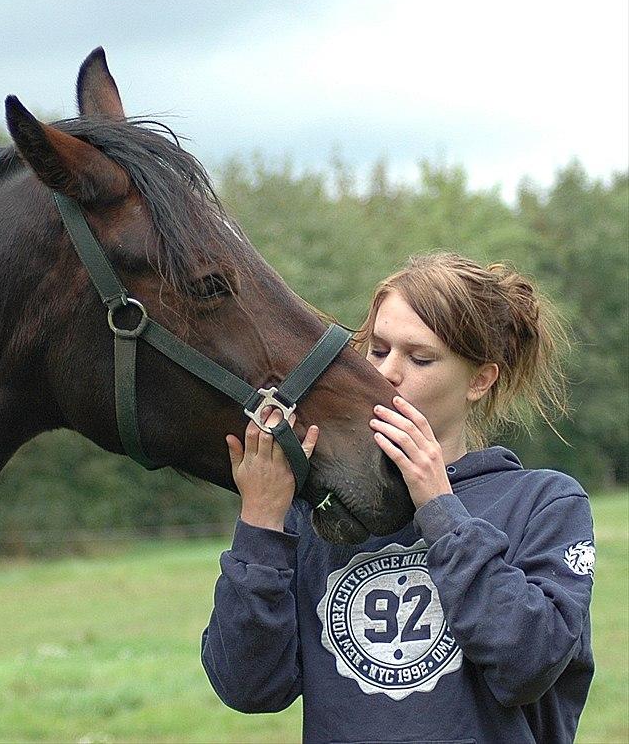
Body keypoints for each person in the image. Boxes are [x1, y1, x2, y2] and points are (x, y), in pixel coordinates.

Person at [200, 252, 595, 744]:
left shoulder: (545, 503)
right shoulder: (323, 514)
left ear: (479, 380)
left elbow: (529, 664)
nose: (385, 373)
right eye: (378, 349)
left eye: (420, 357)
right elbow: (248, 687)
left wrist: (439, 508)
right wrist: (261, 522)